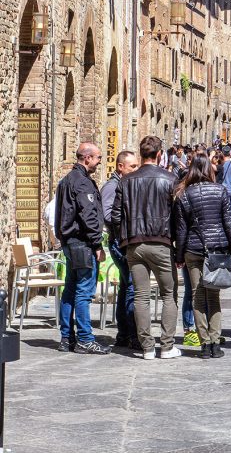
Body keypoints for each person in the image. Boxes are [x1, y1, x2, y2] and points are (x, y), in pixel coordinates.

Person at [110, 134, 180, 361]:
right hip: (161, 242)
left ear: (141, 155)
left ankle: (147, 347)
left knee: (141, 296)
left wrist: (124, 239)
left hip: (134, 244)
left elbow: (115, 216)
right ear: (160, 154)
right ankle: (167, 346)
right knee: (168, 295)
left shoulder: (126, 181)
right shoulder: (169, 179)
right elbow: (178, 216)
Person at [174, 151, 231, 359]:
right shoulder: (221, 191)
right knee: (214, 295)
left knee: (197, 295)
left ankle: (204, 343)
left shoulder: (184, 194)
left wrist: (179, 254)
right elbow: (229, 223)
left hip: (193, 249)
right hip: (217, 249)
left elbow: (181, 229)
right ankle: (215, 341)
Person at [54, 142, 109, 354]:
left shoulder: (66, 180)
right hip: (82, 243)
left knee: (69, 290)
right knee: (84, 292)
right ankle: (85, 339)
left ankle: (67, 337)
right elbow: (88, 215)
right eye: (97, 158)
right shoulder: (82, 183)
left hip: (69, 242)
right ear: (86, 158)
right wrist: (97, 243)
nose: (99, 162)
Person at [101, 149, 139, 350]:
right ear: (120, 166)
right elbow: (107, 215)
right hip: (119, 243)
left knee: (126, 286)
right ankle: (132, 334)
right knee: (132, 286)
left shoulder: (123, 184)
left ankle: (123, 334)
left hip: (122, 241)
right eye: (132, 166)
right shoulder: (112, 186)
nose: (135, 169)